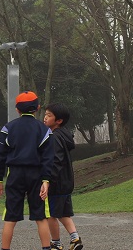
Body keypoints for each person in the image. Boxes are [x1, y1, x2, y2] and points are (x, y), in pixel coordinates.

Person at [0, 91, 54, 250]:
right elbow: (48, 157)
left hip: (15, 174)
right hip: (37, 175)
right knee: (41, 217)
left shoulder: (8, 128)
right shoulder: (44, 130)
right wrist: (46, 181)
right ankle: (46, 248)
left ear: (17, 110)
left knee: (10, 217)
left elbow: (0, 155)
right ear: (38, 108)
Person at [43, 103, 83, 250]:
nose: (45, 118)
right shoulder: (64, 135)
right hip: (66, 182)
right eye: (45, 114)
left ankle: (56, 243)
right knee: (64, 213)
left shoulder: (54, 137)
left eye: (49, 115)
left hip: (56, 183)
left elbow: (55, 161)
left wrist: (47, 181)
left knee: (51, 214)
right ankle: (75, 239)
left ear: (58, 120)